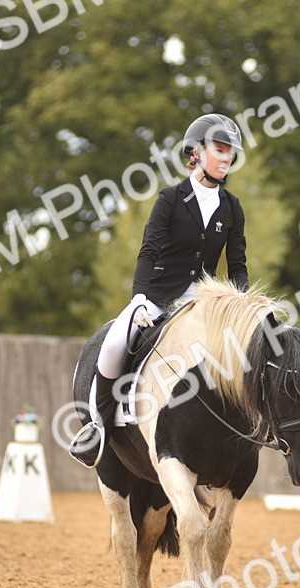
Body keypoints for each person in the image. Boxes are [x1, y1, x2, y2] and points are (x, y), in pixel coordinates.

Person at [69, 113, 249, 467]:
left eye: (231, 153)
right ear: (195, 153)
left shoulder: (232, 207)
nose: (227, 158)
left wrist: (241, 305)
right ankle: (98, 428)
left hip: (203, 301)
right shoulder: (170, 198)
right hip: (158, 296)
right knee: (115, 343)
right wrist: (139, 300)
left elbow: (238, 264)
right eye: (220, 149)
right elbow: (148, 252)